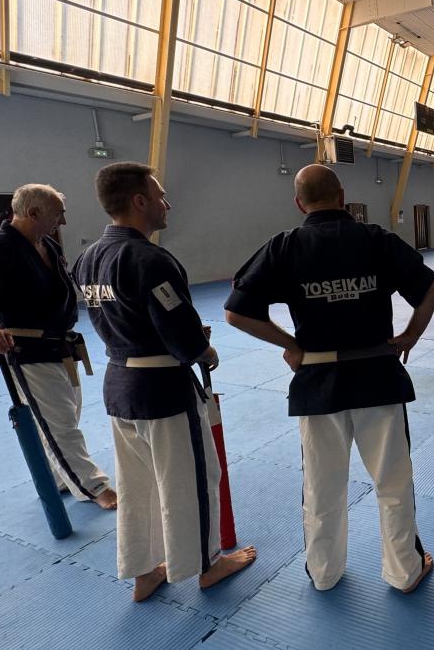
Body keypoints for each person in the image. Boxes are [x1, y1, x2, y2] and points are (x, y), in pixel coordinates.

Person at [224, 164, 434, 595]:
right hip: (377, 377)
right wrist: (411, 335)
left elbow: (236, 312)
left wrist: (291, 344)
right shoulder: (376, 239)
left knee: (321, 487)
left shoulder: (285, 246)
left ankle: (324, 573)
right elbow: (430, 289)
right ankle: (405, 571)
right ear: (343, 197)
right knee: (393, 483)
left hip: (317, 380)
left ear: (298, 203)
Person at [73, 162, 256, 602]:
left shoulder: (87, 258)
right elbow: (180, 332)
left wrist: (176, 337)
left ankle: (143, 571)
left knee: (137, 485)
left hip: (119, 384)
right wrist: (204, 351)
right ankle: (208, 565)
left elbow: (129, 316)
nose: (167, 204)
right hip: (161, 391)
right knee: (192, 479)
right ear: (139, 202)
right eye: (160, 196)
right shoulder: (149, 259)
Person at [0, 183, 117, 511]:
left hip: (62, 347)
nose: (63, 222)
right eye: (58, 214)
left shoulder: (47, 245)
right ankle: (94, 486)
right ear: (33, 212)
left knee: (64, 416)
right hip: (26, 349)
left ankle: (59, 477)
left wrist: (110, 291)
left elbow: (66, 287)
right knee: (59, 424)